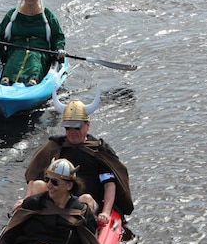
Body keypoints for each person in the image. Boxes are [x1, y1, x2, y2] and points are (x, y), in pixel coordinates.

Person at [13, 89, 134, 225]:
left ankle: (82, 233)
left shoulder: (99, 151)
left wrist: (105, 212)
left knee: (85, 199)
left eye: (77, 128)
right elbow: (35, 175)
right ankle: (28, 222)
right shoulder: (55, 145)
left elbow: (109, 184)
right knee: (38, 184)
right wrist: (26, 199)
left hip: (84, 203)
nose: (72, 132)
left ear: (87, 125)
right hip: (56, 195)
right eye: (68, 128)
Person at [0, 0, 66, 87]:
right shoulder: (12, 14)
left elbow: (58, 36)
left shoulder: (47, 14)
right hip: (16, 48)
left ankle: (32, 81)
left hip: (39, 50)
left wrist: (59, 49)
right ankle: (6, 79)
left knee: (34, 58)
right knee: (16, 56)